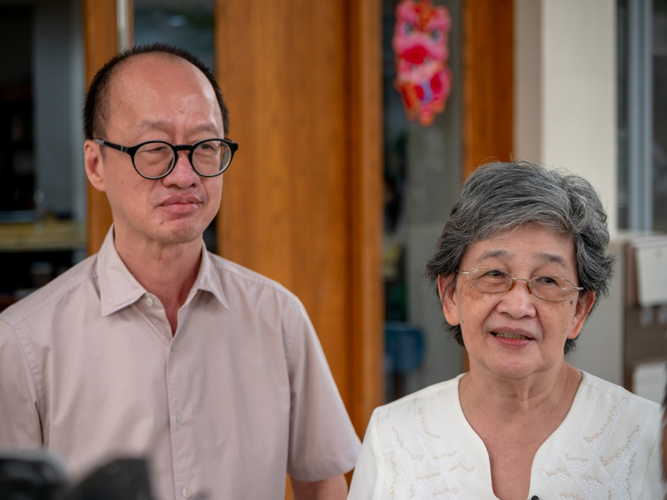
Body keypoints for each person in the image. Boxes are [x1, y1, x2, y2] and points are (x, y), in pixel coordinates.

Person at [0, 44, 360, 500]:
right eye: (155, 149)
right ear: (96, 164)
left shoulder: (278, 318)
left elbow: (323, 483)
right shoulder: (23, 344)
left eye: (205, 147)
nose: (184, 175)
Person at [348, 162, 665, 499]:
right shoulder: (393, 436)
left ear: (580, 310)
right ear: (450, 296)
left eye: (547, 280)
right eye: (495, 274)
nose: (517, 306)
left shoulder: (646, 438)